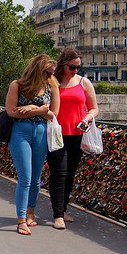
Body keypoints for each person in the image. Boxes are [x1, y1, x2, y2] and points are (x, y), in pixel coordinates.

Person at [6, 54, 60, 235]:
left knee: (36, 179)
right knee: (25, 177)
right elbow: (11, 112)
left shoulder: (51, 86)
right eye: (47, 73)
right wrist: (38, 110)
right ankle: (21, 219)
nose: (50, 76)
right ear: (37, 70)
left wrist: (32, 109)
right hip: (21, 132)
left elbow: (53, 115)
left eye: (52, 73)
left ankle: (31, 212)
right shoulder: (18, 85)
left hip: (41, 133)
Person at [46, 48, 99, 230]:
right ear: (63, 64)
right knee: (59, 173)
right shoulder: (53, 82)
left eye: (78, 67)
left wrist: (86, 119)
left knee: (69, 174)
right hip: (56, 134)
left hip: (77, 135)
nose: (75, 70)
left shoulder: (84, 82)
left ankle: (63, 208)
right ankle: (58, 214)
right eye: (72, 67)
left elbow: (94, 108)